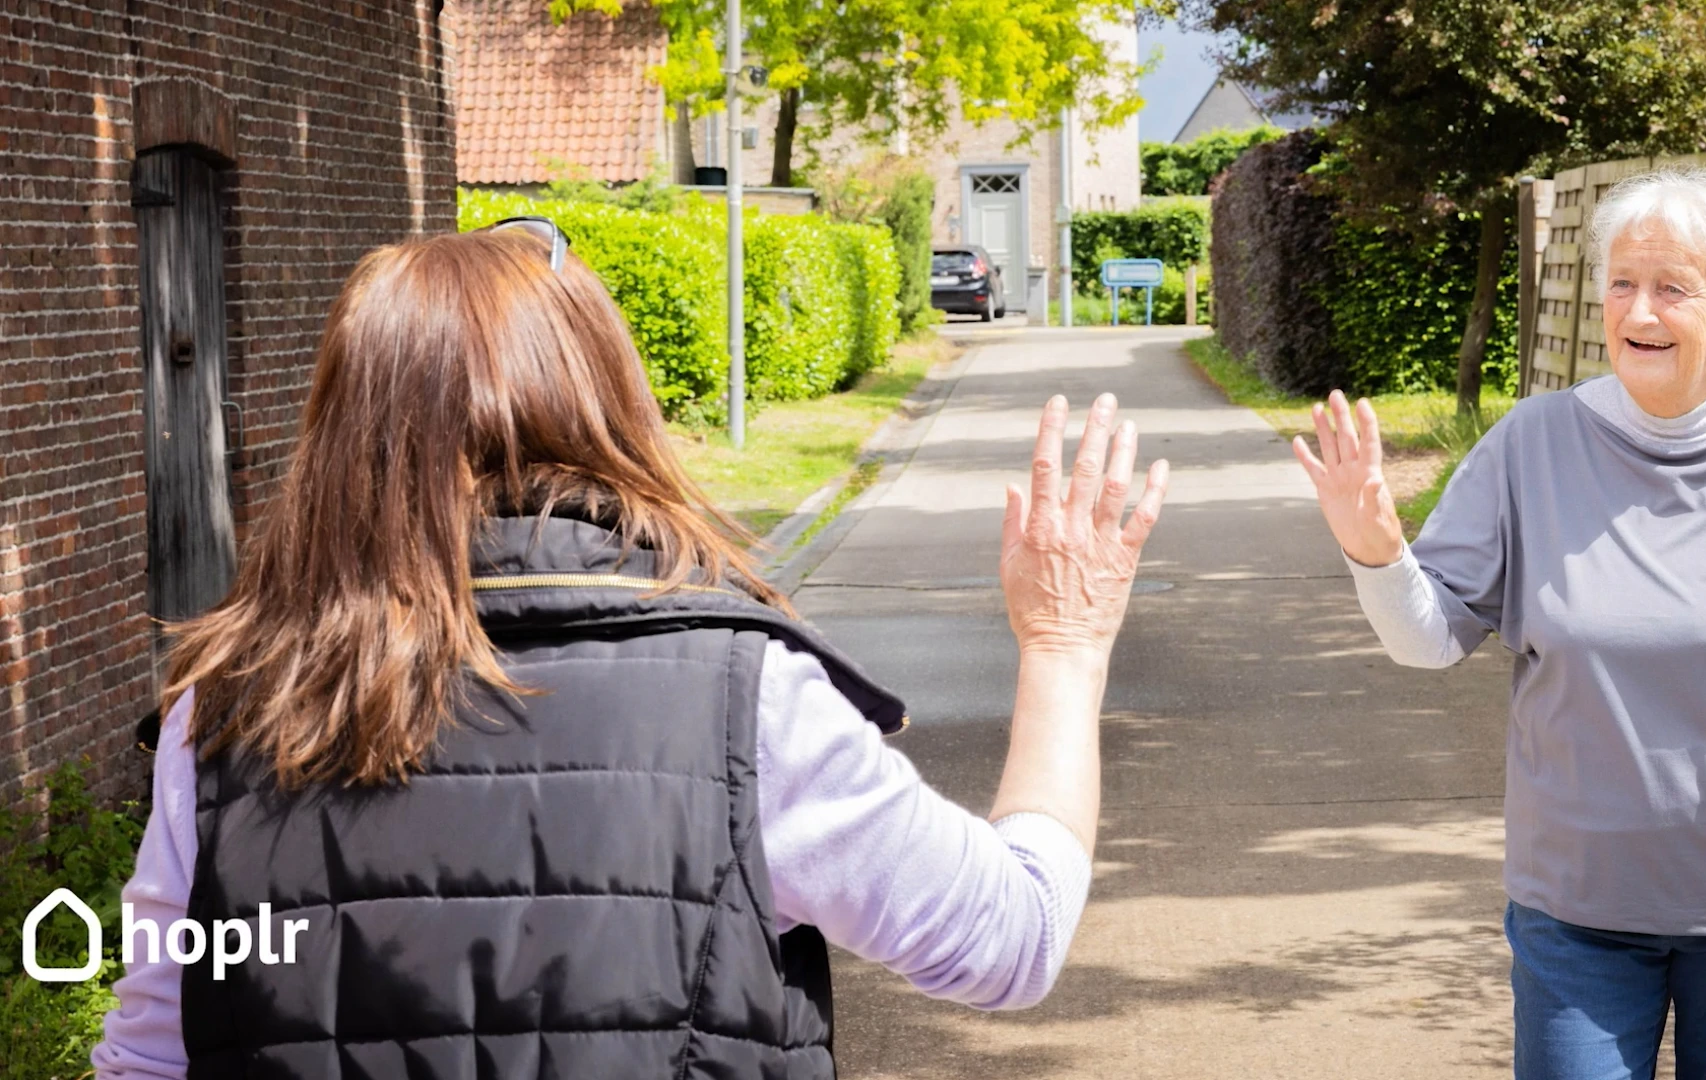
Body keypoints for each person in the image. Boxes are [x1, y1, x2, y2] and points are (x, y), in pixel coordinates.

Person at [91, 218, 1170, 1079]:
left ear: (342, 435)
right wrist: (1065, 645)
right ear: (601, 401)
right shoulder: (748, 699)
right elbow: (1010, 941)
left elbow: (150, 1052)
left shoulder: (225, 720)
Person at [1293, 167, 1706, 1079]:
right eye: (1622, 283)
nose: (1640, 310)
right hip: (1578, 913)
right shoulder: (1532, 444)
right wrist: (1376, 552)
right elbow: (1427, 642)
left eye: (1673, 288)